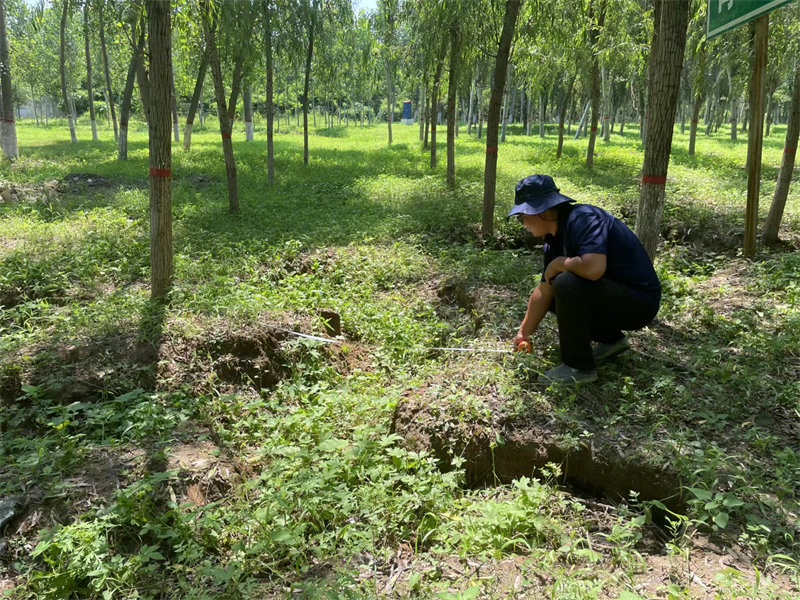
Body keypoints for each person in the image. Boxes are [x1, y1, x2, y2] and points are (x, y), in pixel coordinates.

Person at [509, 174, 661, 383]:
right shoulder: (553, 242)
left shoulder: (584, 218)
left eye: (522, 216)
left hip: (639, 302)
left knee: (565, 282)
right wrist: (523, 333)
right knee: (555, 288)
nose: (523, 223)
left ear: (540, 212)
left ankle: (578, 367)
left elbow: (593, 269)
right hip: (611, 297)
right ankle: (611, 340)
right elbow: (544, 289)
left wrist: (560, 263)